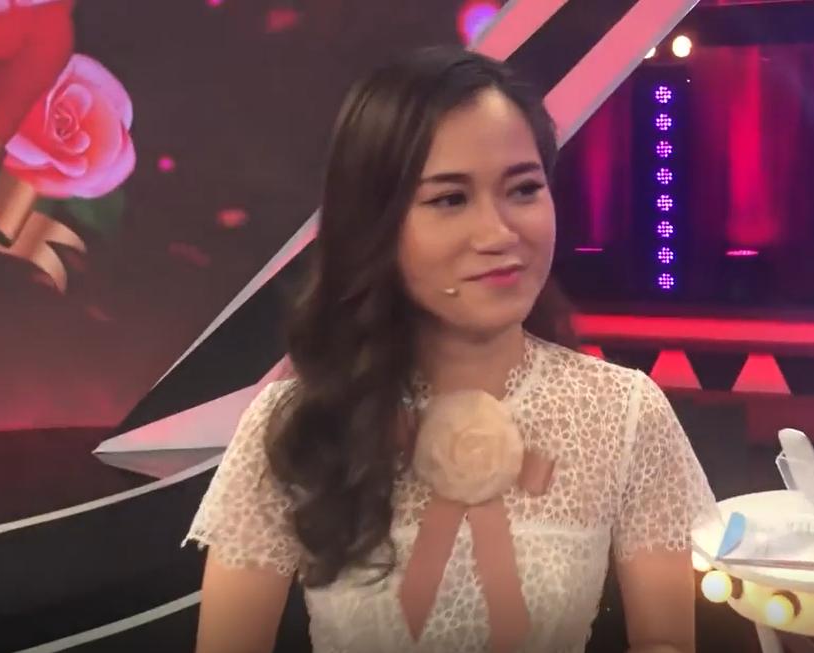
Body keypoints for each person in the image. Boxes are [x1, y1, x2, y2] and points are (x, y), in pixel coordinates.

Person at [184, 46, 717, 653]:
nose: (499, 233)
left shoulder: (625, 414)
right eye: (449, 199)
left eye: (523, 189)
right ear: (377, 223)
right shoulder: (293, 425)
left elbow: (666, 643)